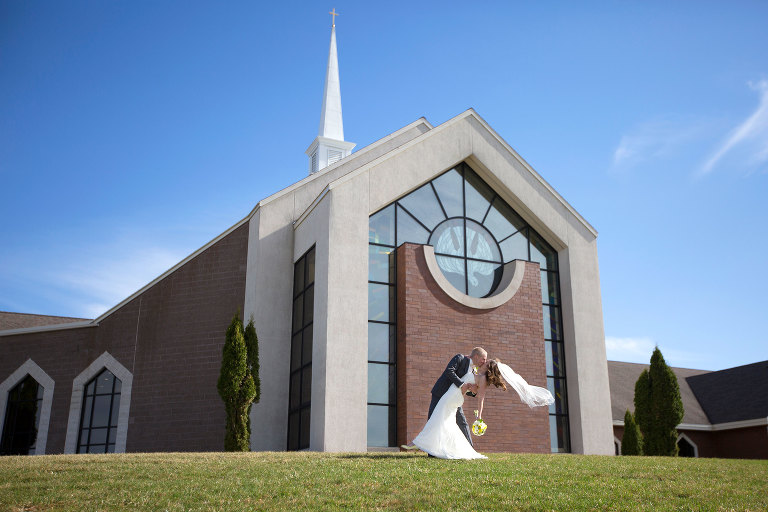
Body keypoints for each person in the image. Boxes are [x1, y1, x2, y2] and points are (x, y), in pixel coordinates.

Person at [402, 356, 554, 460]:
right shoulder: (475, 371)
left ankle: (417, 444)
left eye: (487, 362)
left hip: (452, 398)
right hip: (451, 395)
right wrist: (468, 387)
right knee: (443, 421)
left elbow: (480, 399)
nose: (485, 361)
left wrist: (479, 416)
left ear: (489, 367)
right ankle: (434, 446)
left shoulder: (483, 379)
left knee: (437, 418)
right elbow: (467, 385)